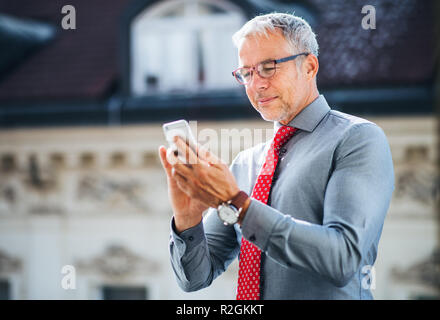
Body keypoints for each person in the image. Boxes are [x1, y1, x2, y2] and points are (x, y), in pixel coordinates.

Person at [158, 13, 394, 300]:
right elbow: (194, 279)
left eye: (268, 67)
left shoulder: (357, 139)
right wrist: (186, 219)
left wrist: (240, 206)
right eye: (246, 72)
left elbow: (342, 258)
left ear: (309, 67)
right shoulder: (246, 163)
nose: (256, 84)